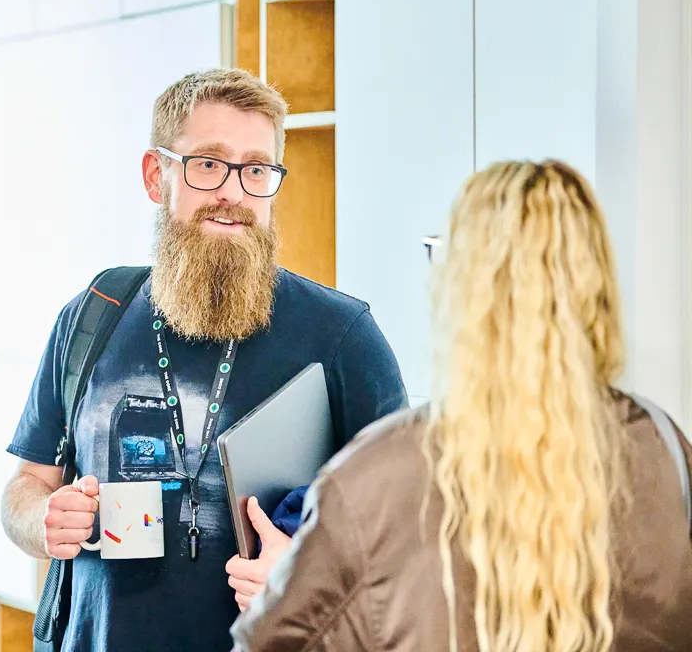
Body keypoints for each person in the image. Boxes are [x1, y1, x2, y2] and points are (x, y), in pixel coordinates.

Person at [0, 68, 408, 652]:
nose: (234, 193)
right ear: (156, 175)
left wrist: (308, 581)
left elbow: (410, 541)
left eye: (256, 170)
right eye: (208, 164)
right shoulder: (93, 316)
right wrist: (43, 520)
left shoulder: (343, 337)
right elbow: (25, 486)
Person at [231, 160, 692, 652]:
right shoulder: (667, 453)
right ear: (598, 290)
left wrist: (292, 577)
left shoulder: (375, 479)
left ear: (463, 292)